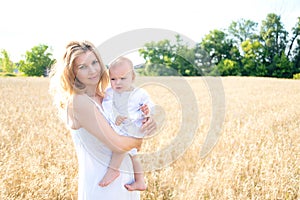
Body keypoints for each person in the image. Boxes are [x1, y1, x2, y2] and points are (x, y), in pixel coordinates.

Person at [49, 40, 156, 200]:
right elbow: (120, 144)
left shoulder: (107, 97)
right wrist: (138, 137)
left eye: (94, 62)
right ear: (72, 72)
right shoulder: (79, 101)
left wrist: (147, 122)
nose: (92, 70)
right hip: (102, 188)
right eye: (82, 67)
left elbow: (130, 137)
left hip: (126, 183)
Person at [98, 57, 154, 191]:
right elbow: (107, 105)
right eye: (113, 79)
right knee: (134, 155)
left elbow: (149, 105)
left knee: (121, 146)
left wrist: (147, 112)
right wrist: (116, 115)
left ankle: (113, 170)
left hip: (133, 127)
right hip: (119, 124)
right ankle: (140, 181)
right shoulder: (110, 93)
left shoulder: (140, 93)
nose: (118, 82)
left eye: (123, 78)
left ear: (132, 77)